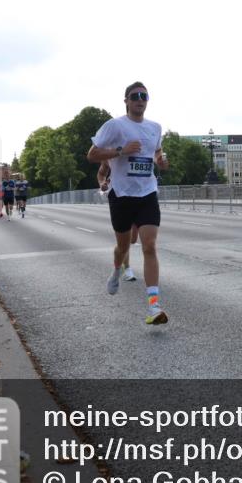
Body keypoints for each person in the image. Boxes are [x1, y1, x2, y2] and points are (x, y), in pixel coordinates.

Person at [87, 81, 169, 325]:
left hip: (147, 193)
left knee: (149, 246)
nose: (140, 99)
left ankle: (154, 307)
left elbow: (156, 152)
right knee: (123, 247)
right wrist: (121, 151)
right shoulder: (115, 126)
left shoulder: (155, 127)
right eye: (135, 96)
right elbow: (91, 155)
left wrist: (161, 160)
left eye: (144, 96)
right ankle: (116, 271)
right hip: (121, 195)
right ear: (126, 100)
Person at [98, 160, 138, 282]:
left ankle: (121, 258)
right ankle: (127, 269)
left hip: (140, 196)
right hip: (120, 198)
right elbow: (101, 173)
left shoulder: (141, 148)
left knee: (133, 239)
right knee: (125, 241)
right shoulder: (113, 152)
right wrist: (102, 183)